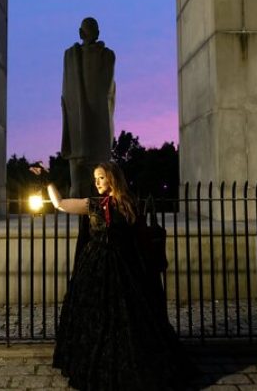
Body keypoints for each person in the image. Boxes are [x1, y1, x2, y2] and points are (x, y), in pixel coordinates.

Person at [47, 162, 193, 391]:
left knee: (126, 318)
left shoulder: (129, 203)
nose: (96, 182)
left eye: (101, 177)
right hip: (94, 268)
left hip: (123, 269)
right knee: (96, 317)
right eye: (95, 178)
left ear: (112, 178)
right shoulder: (93, 204)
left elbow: (139, 240)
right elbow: (60, 204)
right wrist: (46, 181)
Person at [60, 17, 116, 198]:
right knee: (81, 184)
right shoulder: (71, 56)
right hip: (80, 123)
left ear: (80, 33)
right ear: (97, 33)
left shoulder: (106, 56)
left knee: (93, 181)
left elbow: (106, 90)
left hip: (93, 124)